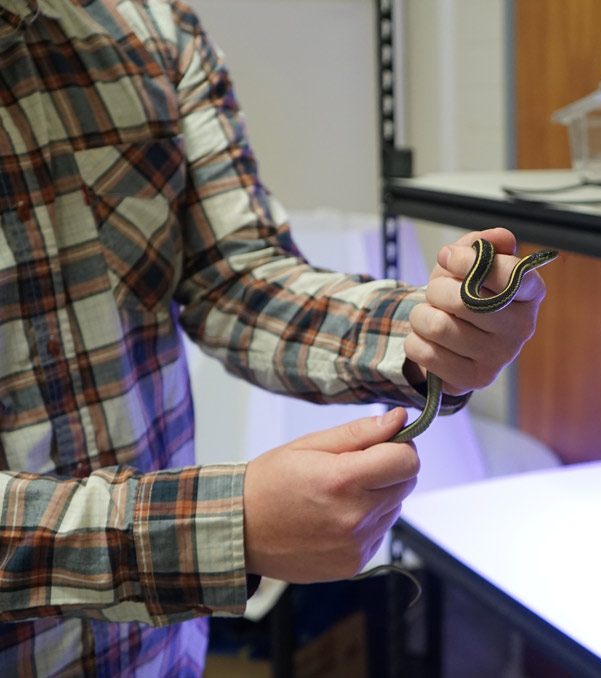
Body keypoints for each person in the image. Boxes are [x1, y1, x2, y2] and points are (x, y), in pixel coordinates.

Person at [0, 0, 550, 675]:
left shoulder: (149, 29)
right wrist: (219, 531)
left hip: (158, 654)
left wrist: (427, 335)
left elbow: (234, 278)